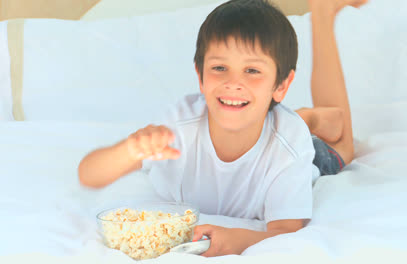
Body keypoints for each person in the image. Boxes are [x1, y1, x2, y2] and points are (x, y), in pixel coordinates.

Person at [78, 0, 365, 257]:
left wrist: (239, 240)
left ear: (281, 85)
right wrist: (128, 150)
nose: (233, 83)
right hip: (270, 120)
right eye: (219, 68)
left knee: (344, 145)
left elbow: (286, 230)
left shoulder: (289, 146)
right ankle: (303, 116)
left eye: (251, 70)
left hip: (294, 140)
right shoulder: (179, 126)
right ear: (200, 76)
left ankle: (322, 11)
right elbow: (89, 174)